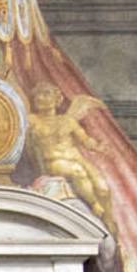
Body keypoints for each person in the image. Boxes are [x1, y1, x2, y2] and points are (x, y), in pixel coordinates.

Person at [27, 83, 114, 227]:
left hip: (77, 159)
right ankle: (94, 204)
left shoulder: (68, 120)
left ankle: (110, 226)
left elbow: (85, 140)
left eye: (45, 93)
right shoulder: (32, 120)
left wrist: (98, 147)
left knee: (103, 188)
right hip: (54, 163)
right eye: (37, 95)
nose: (40, 98)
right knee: (77, 173)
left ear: (57, 99)